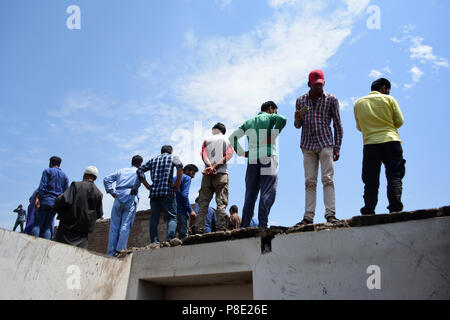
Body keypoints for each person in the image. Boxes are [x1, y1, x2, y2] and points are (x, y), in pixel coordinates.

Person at [294, 70, 343, 226]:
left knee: (327, 179)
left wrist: (337, 146)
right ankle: (308, 217)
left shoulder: (331, 100)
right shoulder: (301, 100)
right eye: (316, 85)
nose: (319, 88)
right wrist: (297, 119)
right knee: (309, 181)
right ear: (309, 84)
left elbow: (337, 124)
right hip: (308, 144)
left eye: (320, 84)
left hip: (325, 142)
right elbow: (297, 126)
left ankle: (330, 214)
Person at [229, 101, 287, 229]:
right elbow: (283, 119)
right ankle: (262, 225)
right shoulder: (270, 117)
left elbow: (232, 137)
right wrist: (272, 136)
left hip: (252, 159)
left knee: (250, 193)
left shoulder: (249, 122)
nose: (275, 113)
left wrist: (242, 153)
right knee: (267, 190)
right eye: (275, 110)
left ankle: (244, 226)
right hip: (267, 156)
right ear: (271, 108)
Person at [353, 78, 406, 215]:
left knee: (370, 180)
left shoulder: (358, 103)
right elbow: (399, 121)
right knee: (394, 176)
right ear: (383, 88)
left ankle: (369, 209)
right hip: (391, 141)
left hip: (370, 144)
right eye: (387, 90)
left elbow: (360, 127)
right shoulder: (389, 100)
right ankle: (395, 207)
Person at [135, 145, 183, 244]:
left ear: (161, 151)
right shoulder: (173, 157)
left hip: (154, 193)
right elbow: (180, 166)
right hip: (167, 191)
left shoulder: (153, 160)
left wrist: (147, 185)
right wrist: (177, 184)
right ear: (171, 151)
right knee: (172, 217)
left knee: (154, 219)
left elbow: (139, 170)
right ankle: (169, 239)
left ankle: (154, 241)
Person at [194, 123, 234, 234]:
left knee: (203, 204)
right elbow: (229, 155)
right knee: (221, 203)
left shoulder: (207, 140)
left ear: (214, 130)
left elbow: (203, 155)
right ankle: (220, 228)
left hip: (207, 175)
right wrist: (215, 167)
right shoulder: (227, 140)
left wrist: (209, 166)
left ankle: (199, 228)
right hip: (221, 174)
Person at [104, 155, 147, 256]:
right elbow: (140, 180)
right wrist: (136, 187)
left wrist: (111, 192)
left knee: (114, 226)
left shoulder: (121, 171)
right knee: (125, 224)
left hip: (118, 195)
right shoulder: (138, 171)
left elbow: (106, 179)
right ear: (140, 163)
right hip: (131, 196)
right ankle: (120, 250)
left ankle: (110, 252)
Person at [54, 166, 104, 249]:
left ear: (84, 175)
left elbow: (64, 201)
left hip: (66, 230)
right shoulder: (98, 193)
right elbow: (99, 214)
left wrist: (58, 200)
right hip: (83, 235)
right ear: (95, 178)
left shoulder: (75, 185)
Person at [32, 156, 70, 239]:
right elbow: (66, 192)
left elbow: (42, 187)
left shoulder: (47, 171)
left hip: (45, 200)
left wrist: (38, 198)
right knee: (48, 226)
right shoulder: (65, 176)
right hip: (55, 204)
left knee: (38, 224)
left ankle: (33, 243)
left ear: (50, 163)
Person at [174, 164, 199, 241]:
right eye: (193, 173)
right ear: (187, 170)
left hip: (172, 211)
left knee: (172, 237)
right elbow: (184, 195)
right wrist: (190, 210)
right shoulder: (186, 178)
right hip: (181, 211)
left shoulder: (174, 178)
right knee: (184, 237)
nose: (193, 176)